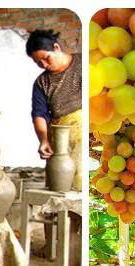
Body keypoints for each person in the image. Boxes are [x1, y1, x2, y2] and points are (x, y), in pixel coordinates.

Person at [26, 29, 82, 190]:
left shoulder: (83, 63)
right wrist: (43, 140)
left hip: (87, 134)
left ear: (56, 48)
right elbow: (39, 114)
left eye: (46, 58)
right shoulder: (41, 82)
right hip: (59, 140)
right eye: (38, 63)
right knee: (61, 189)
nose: (43, 65)